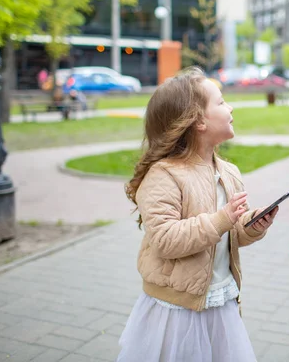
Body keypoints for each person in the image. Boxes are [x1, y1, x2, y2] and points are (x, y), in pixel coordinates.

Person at [117, 67, 278, 362]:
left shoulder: (228, 172)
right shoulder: (164, 175)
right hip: (176, 311)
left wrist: (251, 226)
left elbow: (229, 234)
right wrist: (221, 219)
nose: (230, 108)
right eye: (221, 102)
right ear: (198, 121)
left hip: (220, 301)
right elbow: (165, 240)